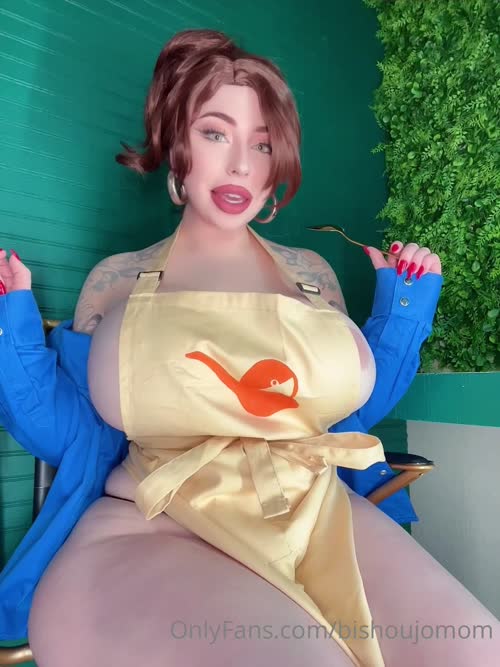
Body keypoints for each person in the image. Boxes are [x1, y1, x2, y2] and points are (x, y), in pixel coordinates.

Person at [0, 29, 498, 667]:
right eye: (216, 133)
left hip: (317, 511)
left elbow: (350, 412)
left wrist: (405, 304)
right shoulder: (117, 279)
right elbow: (62, 432)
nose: (241, 165)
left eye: (262, 144)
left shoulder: (311, 274)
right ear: (176, 143)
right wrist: (13, 319)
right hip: (156, 521)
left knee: (478, 652)